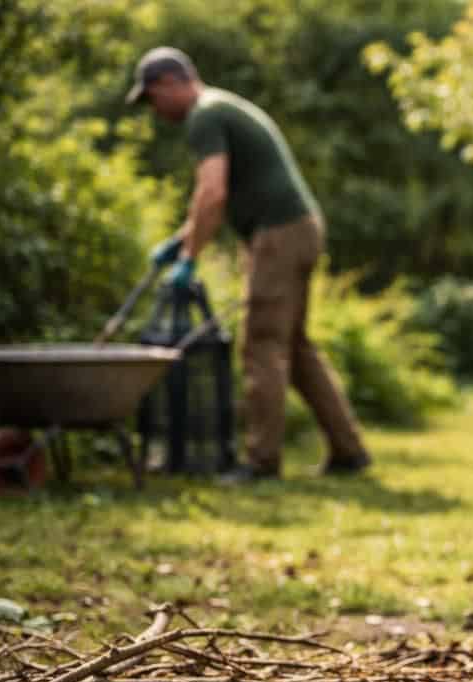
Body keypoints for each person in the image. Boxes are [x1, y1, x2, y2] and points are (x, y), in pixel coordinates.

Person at [127, 46, 371, 481]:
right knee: (294, 347)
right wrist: (179, 243)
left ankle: (261, 461)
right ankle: (349, 451)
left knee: (262, 344)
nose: (154, 109)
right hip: (299, 229)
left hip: (278, 234)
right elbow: (213, 200)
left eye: (152, 97)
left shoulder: (204, 115)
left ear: (170, 82)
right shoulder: (220, 106)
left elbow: (212, 193)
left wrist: (189, 258)